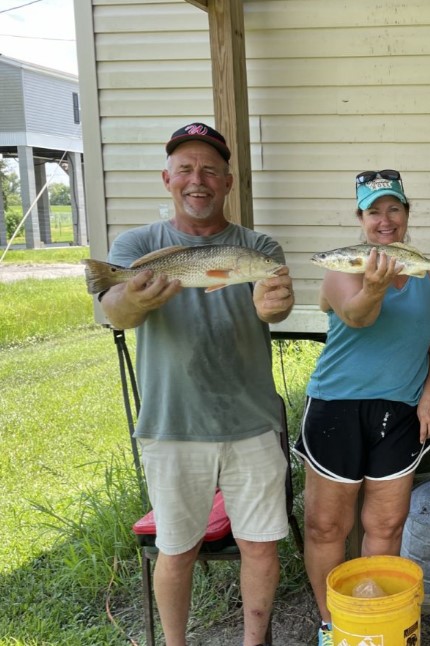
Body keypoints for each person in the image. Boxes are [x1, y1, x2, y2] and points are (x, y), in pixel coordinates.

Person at [98, 122, 295, 646]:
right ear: (167, 178)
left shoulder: (257, 245)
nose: (197, 179)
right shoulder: (140, 244)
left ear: (228, 182)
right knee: (177, 548)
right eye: (185, 168)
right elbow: (113, 311)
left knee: (259, 545)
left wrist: (273, 304)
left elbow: (278, 301)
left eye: (210, 169)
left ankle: (256, 642)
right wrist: (133, 299)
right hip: (171, 422)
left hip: (251, 420)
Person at [293, 169, 430, 646]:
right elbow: (358, 316)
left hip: (401, 411)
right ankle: (332, 623)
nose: (385, 220)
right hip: (336, 407)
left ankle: (371, 619)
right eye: (374, 211)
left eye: (394, 209)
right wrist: (377, 283)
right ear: (361, 219)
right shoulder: (343, 267)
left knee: (384, 524)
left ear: (406, 215)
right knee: (326, 526)